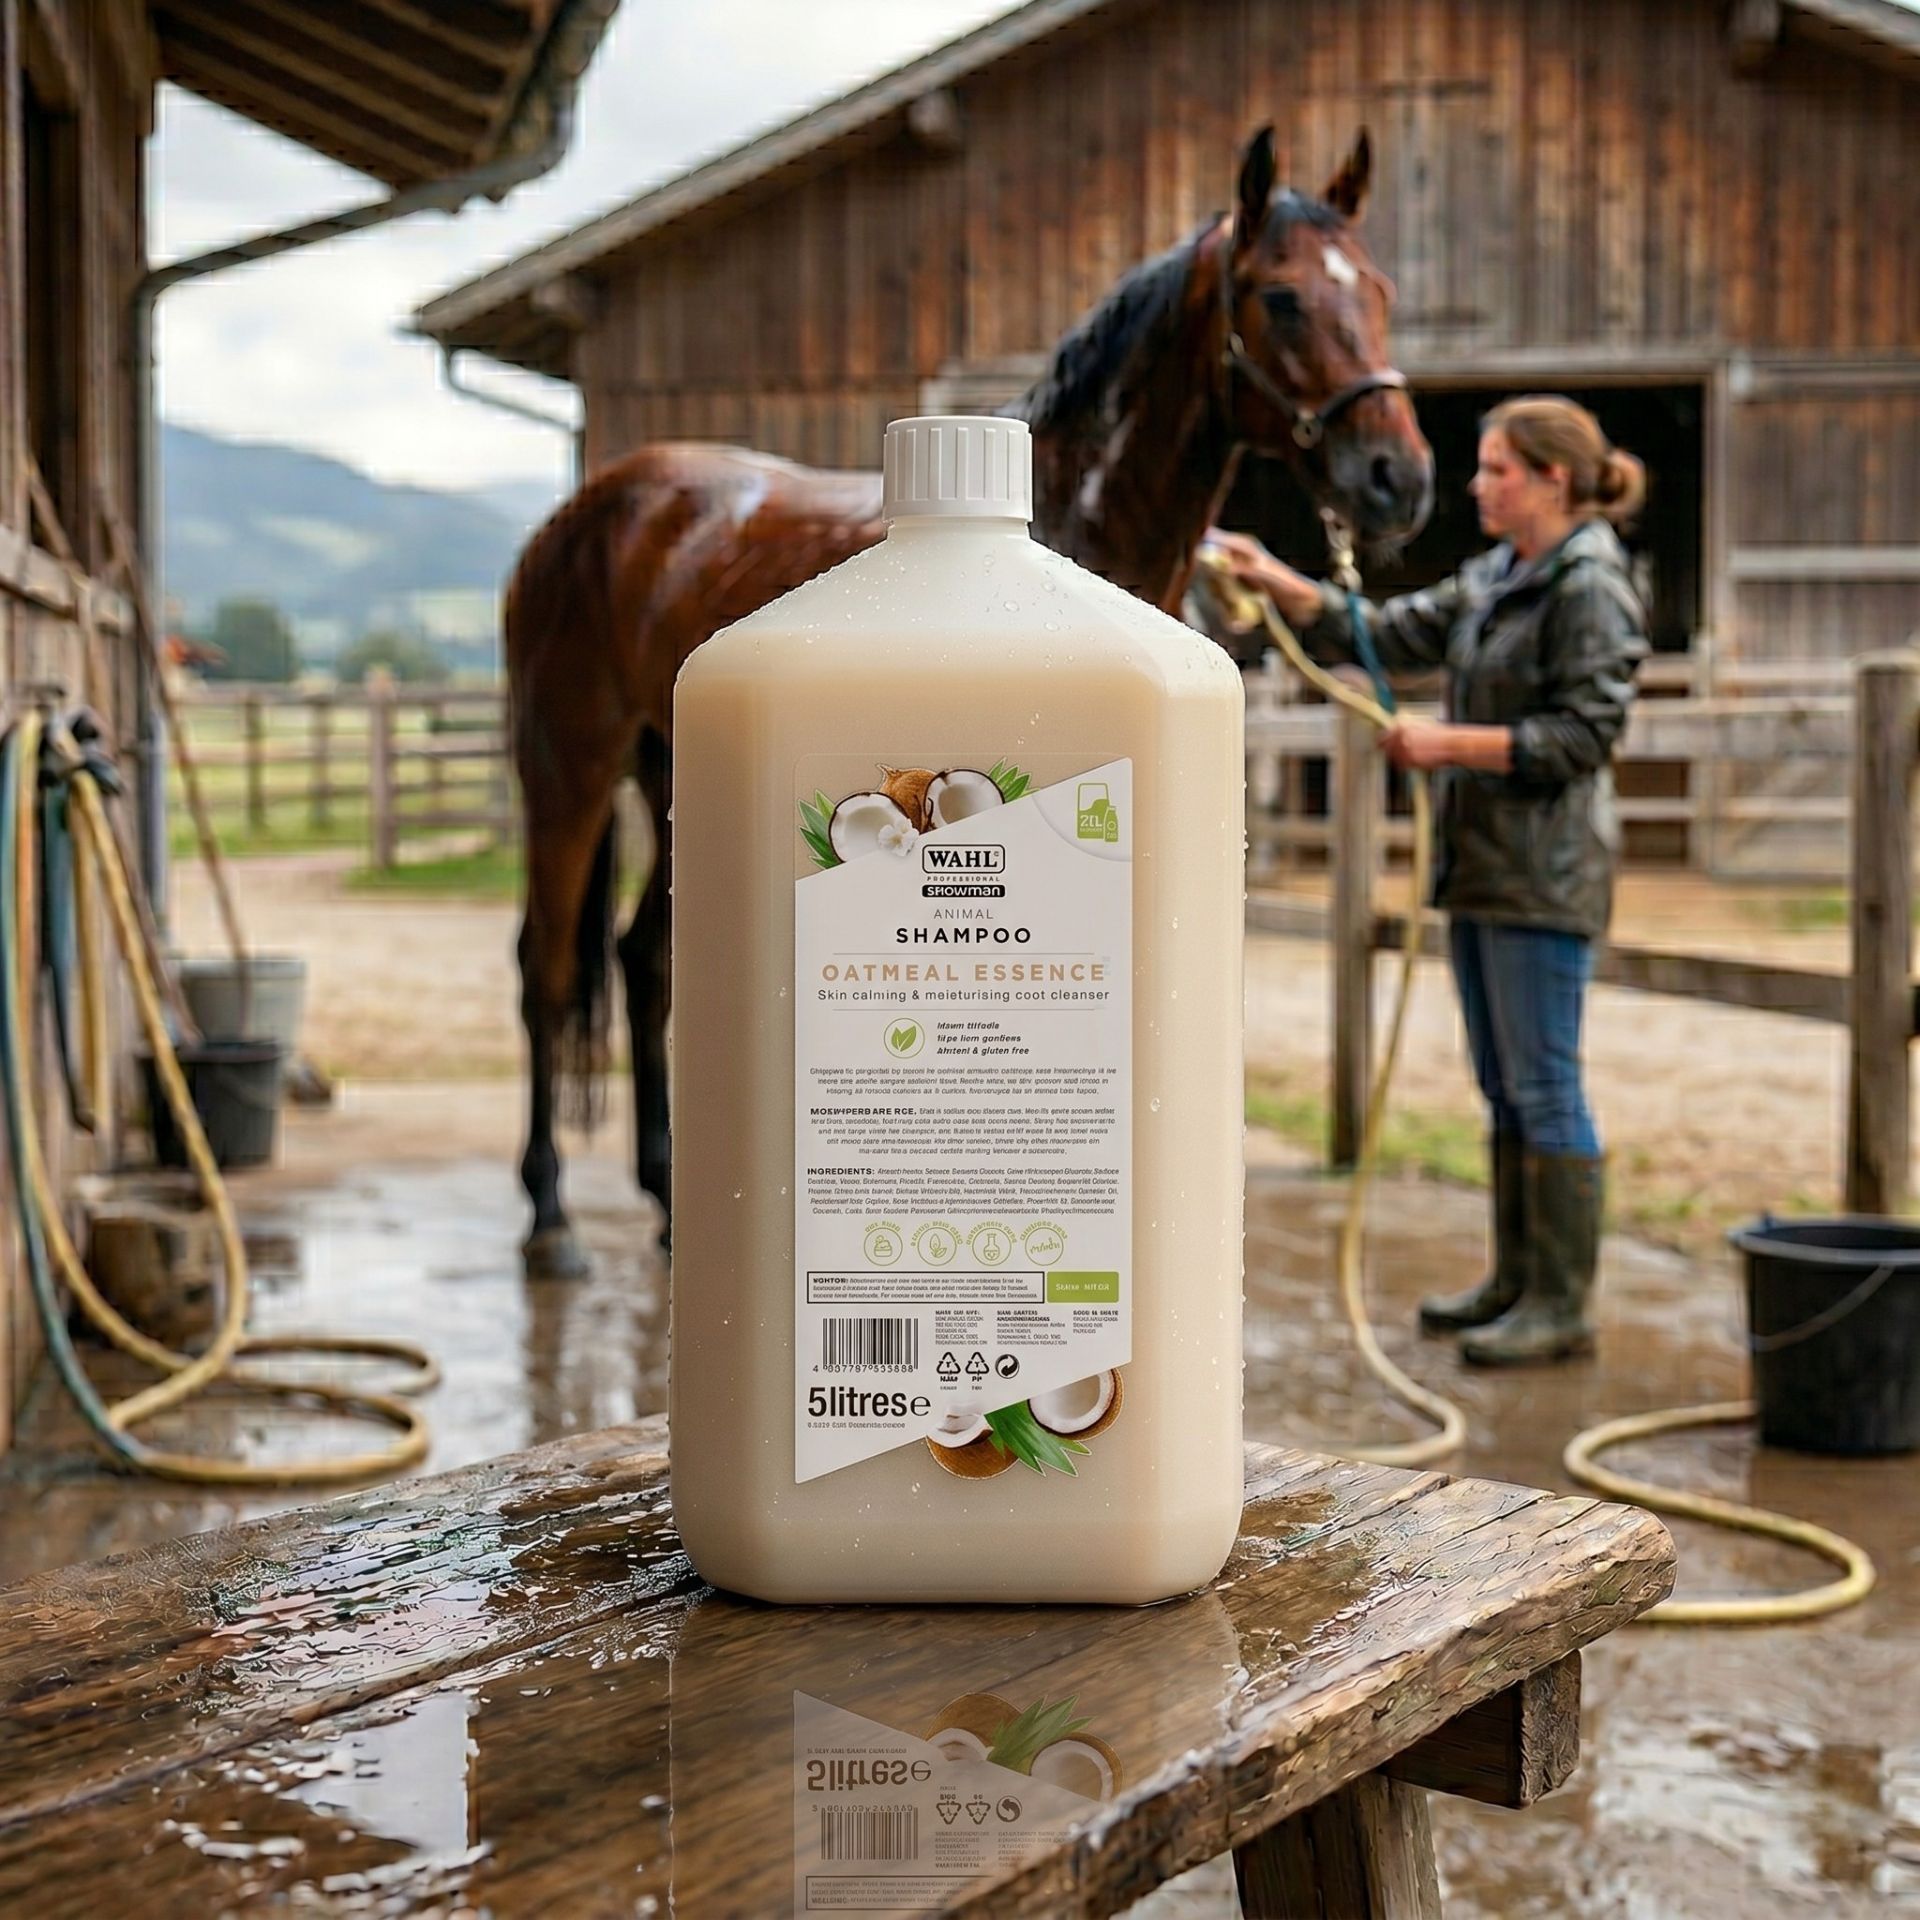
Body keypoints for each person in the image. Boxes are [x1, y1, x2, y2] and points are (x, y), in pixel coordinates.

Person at [1212, 396, 1649, 1365]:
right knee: (1503, 1086)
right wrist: (1282, 583)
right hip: (1484, 868)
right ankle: (1515, 1280)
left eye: (1496, 469)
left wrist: (1445, 743)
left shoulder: (1589, 588)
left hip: (1545, 874)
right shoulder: (1501, 574)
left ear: (1553, 479)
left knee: (1545, 1086)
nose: (1477, 484)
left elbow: (1585, 735)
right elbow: (1398, 630)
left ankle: (1562, 1303)